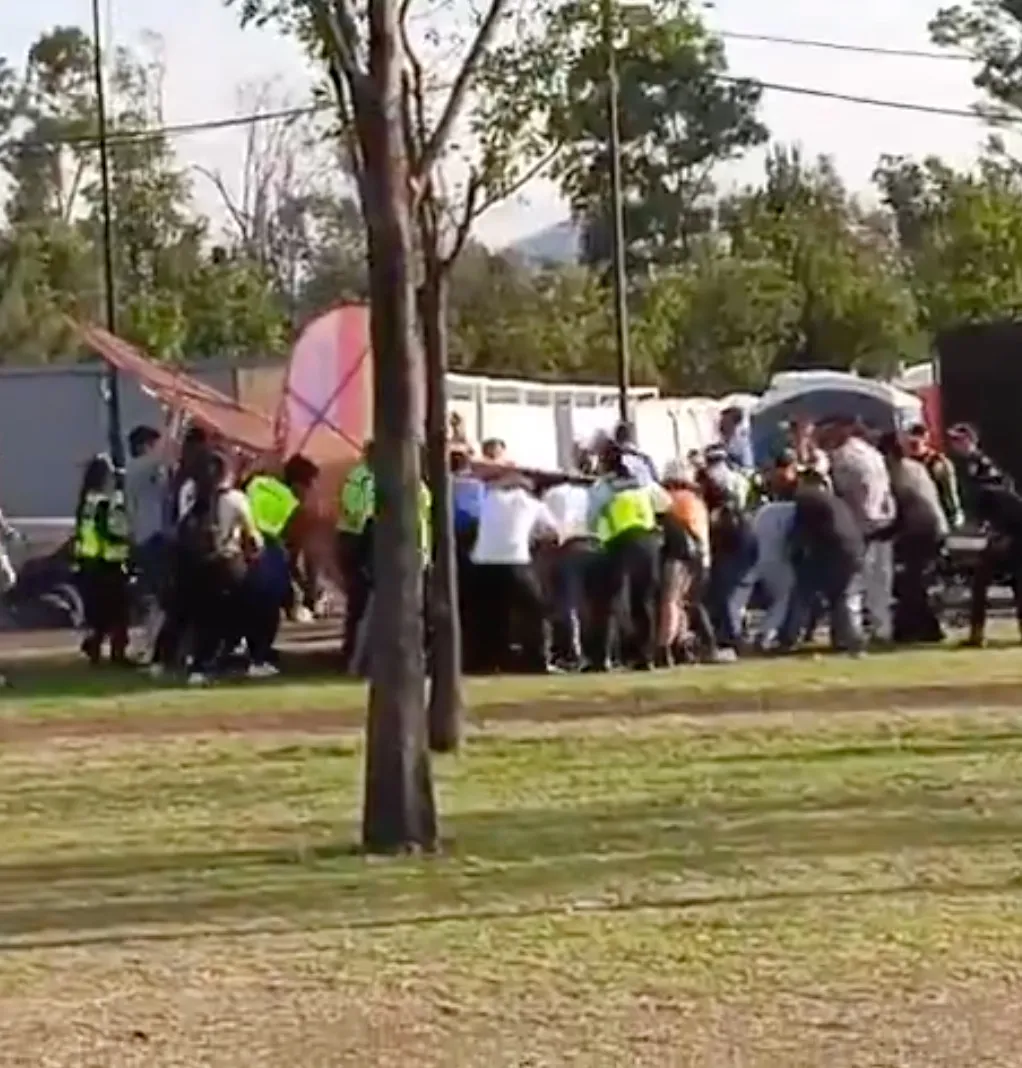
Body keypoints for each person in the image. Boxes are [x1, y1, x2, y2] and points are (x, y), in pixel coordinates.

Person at [177, 450, 263, 684]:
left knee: (204, 617)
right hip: (227, 564)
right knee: (242, 611)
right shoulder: (235, 499)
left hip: (198, 565)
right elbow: (253, 536)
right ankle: (239, 658)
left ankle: (199, 666)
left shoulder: (191, 496)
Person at [586, 441, 670, 671]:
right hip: (648, 541)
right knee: (643, 601)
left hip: (618, 543)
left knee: (610, 601)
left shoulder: (603, 487)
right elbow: (665, 503)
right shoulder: (643, 483)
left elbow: (591, 519)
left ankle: (603, 657)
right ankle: (646, 656)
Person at [470, 470, 559, 673]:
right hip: (516, 560)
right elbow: (553, 532)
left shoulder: (489, 499)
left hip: (483, 561)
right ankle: (537, 660)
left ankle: (486, 662)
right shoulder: (533, 503)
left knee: (489, 615)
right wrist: (534, 538)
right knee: (535, 611)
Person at [244, 455, 320, 673]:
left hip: (242, 546)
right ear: (300, 483)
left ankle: (252, 651)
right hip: (268, 550)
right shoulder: (293, 505)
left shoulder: (259, 484)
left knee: (249, 606)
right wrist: (307, 587)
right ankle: (259, 658)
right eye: (309, 485)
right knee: (269, 609)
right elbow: (292, 552)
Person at [780, 471, 865, 655]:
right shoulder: (835, 500)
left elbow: (800, 533)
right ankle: (849, 640)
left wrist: (794, 554)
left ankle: (789, 637)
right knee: (841, 597)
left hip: (832, 552)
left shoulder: (807, 499)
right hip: (853, 550)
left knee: (802, 593)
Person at [828, 418, 895, 644]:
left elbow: (843, 493)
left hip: (858, 525)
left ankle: (853, 631)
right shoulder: (873, 454)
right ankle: (882, 628)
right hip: (883, 522)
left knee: (853, 583)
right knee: (880, 581)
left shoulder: (843, 457)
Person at [879, 433, 948, 645]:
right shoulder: (915, 467)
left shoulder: (897, 473)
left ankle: (919, 629)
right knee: (917, 581)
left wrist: (882, 533)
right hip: (933, 526)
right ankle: (919, 628)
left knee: (912, 582)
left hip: (921, 529)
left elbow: (904, 508)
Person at [73, 454, 130, 665]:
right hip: (108, 562)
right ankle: (117, 652)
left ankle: (95, 646)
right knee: (119, 610)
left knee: (100, 612)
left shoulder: (86, 502)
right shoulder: (106, 503)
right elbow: (115, 531)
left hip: (90, 562)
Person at [658, 461, 716, 665]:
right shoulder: (695, 500)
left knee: (670, 601)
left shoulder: (673, 499)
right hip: (700, 558)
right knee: (685, 604)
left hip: (680, 555)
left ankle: (664, 647)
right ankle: (684, 645)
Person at [124, 424, 172, 662]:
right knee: (160, 595)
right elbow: (167, 463)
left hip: (141, 537)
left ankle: (149, 643)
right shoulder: (147, 467)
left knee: (151, 595)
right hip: (155, 537)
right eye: (155, 445)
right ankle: (154, 645)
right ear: (145, 446)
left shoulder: (130, 471)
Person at [542, 471, 598, 667]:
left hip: (569, 546)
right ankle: (597, 652)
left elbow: (548, 526)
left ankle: (574, 654)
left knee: (568, 601)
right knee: (590, 602)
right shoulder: (591, 493)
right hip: (595, 544)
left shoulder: (552, 494)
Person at [964, 482, 1022, 647]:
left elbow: (1001, 534)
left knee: (981, 581)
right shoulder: (1006, 501)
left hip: (1016, 545)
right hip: (1013, 544)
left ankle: (977, 633)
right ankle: (977, 632)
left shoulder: (992, 501)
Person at [749, 459, 799, 649]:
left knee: (776, 599)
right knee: (784, 598)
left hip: (761, 559)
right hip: (781, 559)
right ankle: (766, 633)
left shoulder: (764, 511)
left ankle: (769, 632)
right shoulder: (791, 511)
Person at [336, 442, 375, 672]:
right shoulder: (359, 476)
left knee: (365, 597)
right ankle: (352, 649)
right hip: (356, 538)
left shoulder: (382, 475)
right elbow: (351, 507)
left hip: (371, 536)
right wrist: (368, 522)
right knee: (359, 596)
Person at [946, 423, 1012, 519]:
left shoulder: (982, 463)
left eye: (958, 440)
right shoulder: (960, 462)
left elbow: (998, 489)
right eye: (952, 440)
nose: (953, 444)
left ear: (969, 441)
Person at [905, 423, 963, 530]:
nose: (914, 445)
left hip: (935, 510)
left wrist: (954, 511)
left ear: (925, 439)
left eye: (917, 441)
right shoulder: (905, 461)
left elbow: (949, 490)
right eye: (911, 442)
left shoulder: (939, 463)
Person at [718, 406, 754, 472]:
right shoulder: (725, 440)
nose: (721, 427)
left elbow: (748, 467)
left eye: (724, 422)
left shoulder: (743, 442)